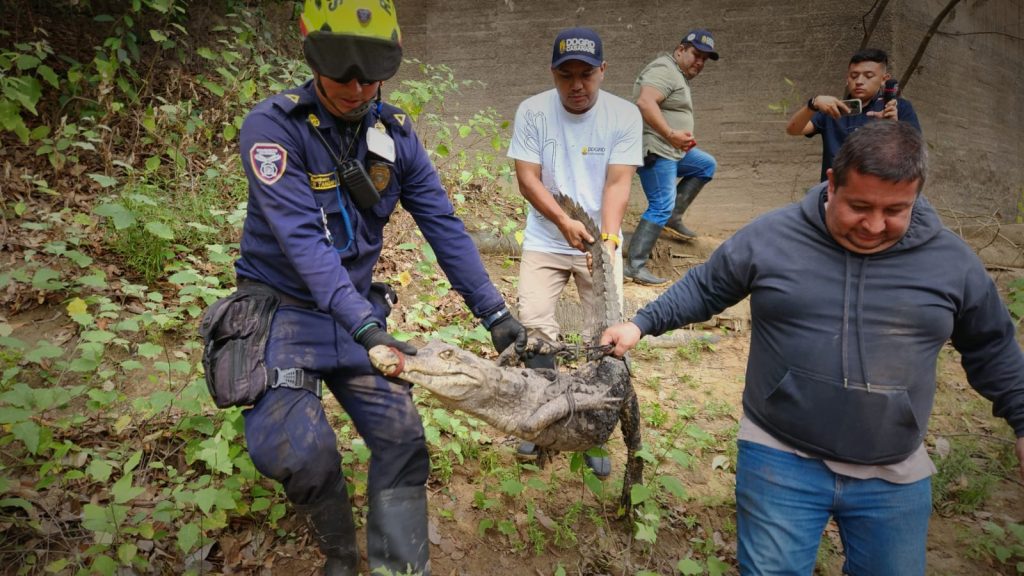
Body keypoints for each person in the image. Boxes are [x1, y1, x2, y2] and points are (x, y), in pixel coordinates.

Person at [602, 121, 1024, 574]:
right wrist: (641, 325)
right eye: (859, 206)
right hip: (780, 457)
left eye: (895, 210)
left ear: (916, 196)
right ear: (832, 184)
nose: (875, 224)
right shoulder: (773, 237)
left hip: (894, 470)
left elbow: (992, 347)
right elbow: (707, 287)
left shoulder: (951, 262)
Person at [232, 2, 525, 574]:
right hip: (282, 310)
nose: (358, 87)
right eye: (343, 73)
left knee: (402, 438)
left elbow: (443, 226)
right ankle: (340, 555)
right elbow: (305, 246)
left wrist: (497, 315)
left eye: (372, 75)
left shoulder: (394, 134)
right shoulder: (273, 129)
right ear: (311, 52)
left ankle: (400, 567)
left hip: (355, 313)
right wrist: (367, 330)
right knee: (297, 448)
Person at [507, 27, 643, 479]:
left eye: (587, 74)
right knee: (535, 326)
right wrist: (563, 222)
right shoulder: (533, 111)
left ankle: (592, 431)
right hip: (547, 238)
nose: (577, 84)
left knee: (605, 335)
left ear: (603, 71)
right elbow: (527, 178)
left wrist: (605, 241)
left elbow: (618, 181)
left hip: (600, 239)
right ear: (554, 74)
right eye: (567, 75)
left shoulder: (623, 115)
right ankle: (541, 423)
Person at [626, 28, 720, 285]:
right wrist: (670, 133)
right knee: (660, 204)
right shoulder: (665, 70)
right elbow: (645, 103)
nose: (699, 63)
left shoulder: (676, 73)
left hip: (672, 149)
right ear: (680, 50)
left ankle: (672, 218)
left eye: (704, 59)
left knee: (705, 165)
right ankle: (634, 266)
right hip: (657, 150)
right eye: (695, 55)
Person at [786, 47, 922, 182]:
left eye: (868, 76)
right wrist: (812, 104)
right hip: (836, 193)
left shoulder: (898, 107)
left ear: (884, 79)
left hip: (880, 192)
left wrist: (894, 127)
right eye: (854, 76)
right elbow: (793, 129)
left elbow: (915, 151)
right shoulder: (832, 108)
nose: (859, 81)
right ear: (847, 78)